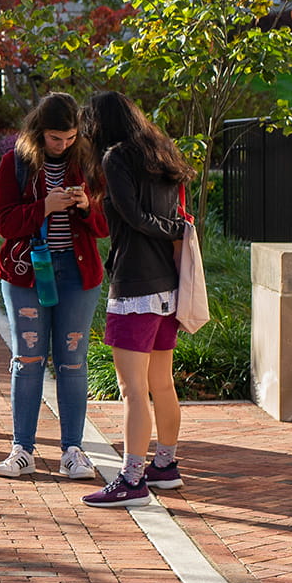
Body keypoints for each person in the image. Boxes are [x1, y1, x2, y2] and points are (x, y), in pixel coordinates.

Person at [77, 90, 195, 508]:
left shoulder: (116, 158)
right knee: (161, 383)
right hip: (167, 284)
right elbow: (175, 217)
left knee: (132, 390)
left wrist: (167, 228)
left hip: (135, 284)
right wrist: (176, 230)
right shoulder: (162, 152)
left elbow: (132, 218)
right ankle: (165, 466)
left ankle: (132, 480)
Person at [0, 92, 108, 481]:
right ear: (40, 132)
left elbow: (105, 227)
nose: (64, 145)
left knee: (72, 360)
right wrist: (44, 207)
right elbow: (4, 223)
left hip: (77, 274)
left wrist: (88, 206)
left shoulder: (88, 163)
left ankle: (73, 450)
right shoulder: (16, 163)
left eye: (71, 137)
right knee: (28, 359)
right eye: (56, 138)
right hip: (27, 273)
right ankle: (21, 448)